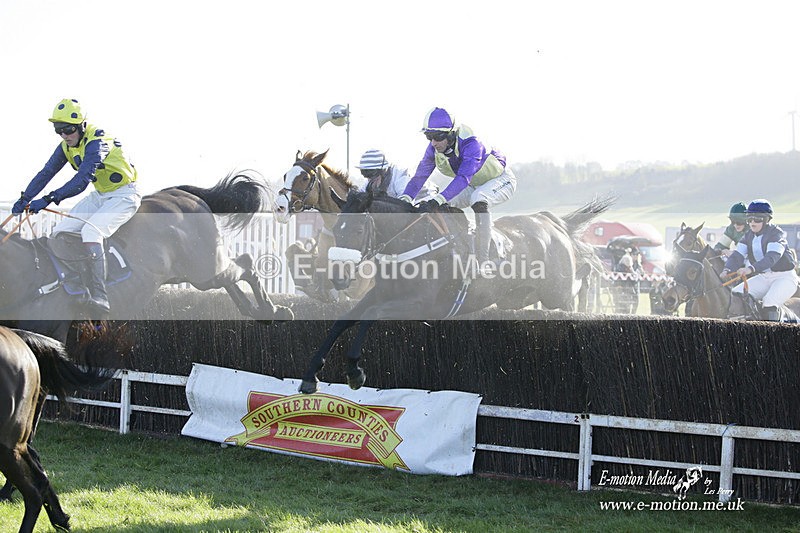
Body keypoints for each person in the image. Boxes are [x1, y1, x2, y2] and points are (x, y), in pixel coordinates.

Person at [12, 98, 141, 313]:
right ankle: (76, 280)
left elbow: (82, 180)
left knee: (91, 232)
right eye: (59, 130)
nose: (64, 135)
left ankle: (100, 295)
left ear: (82, 125)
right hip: (100, 195)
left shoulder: (98, 142)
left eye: (69, 130)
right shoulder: (66, 146)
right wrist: (25, 197)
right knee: (59, 232)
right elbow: (47, 172)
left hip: (124, 195)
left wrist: (48, 199)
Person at [399, 107, 517, 267]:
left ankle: (484, 259)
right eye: (429, 137)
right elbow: (420, 176)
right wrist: (404, 199)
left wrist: (438, 199)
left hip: (500, 180)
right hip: (472, 184)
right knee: (443, 206)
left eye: (437, 137)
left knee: (478, 199)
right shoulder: (433, 149)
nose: (433, 143)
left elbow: (463, 178)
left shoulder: (472, 144)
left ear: (451, 134)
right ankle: (460, 247)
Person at [719, 199, 798, 321]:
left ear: (767, 220)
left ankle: (772, 332)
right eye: (749, 219)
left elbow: (771, 258)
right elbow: (737, 256)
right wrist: (727, 269)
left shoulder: (776, 234)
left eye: (757, 219)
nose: (752, 223)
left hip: (785, 278)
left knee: (769, 302)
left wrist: (750, 269)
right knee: (736, 294)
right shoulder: (748, 236)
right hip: (764, 277)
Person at [355, 149, 437, 200]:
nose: (370, 179)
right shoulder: (370, 181)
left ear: (383, 171)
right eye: (365, 174)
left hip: (425, 196)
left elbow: (405, 204)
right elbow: (359, 195)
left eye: (372, 174)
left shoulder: (400, 177)